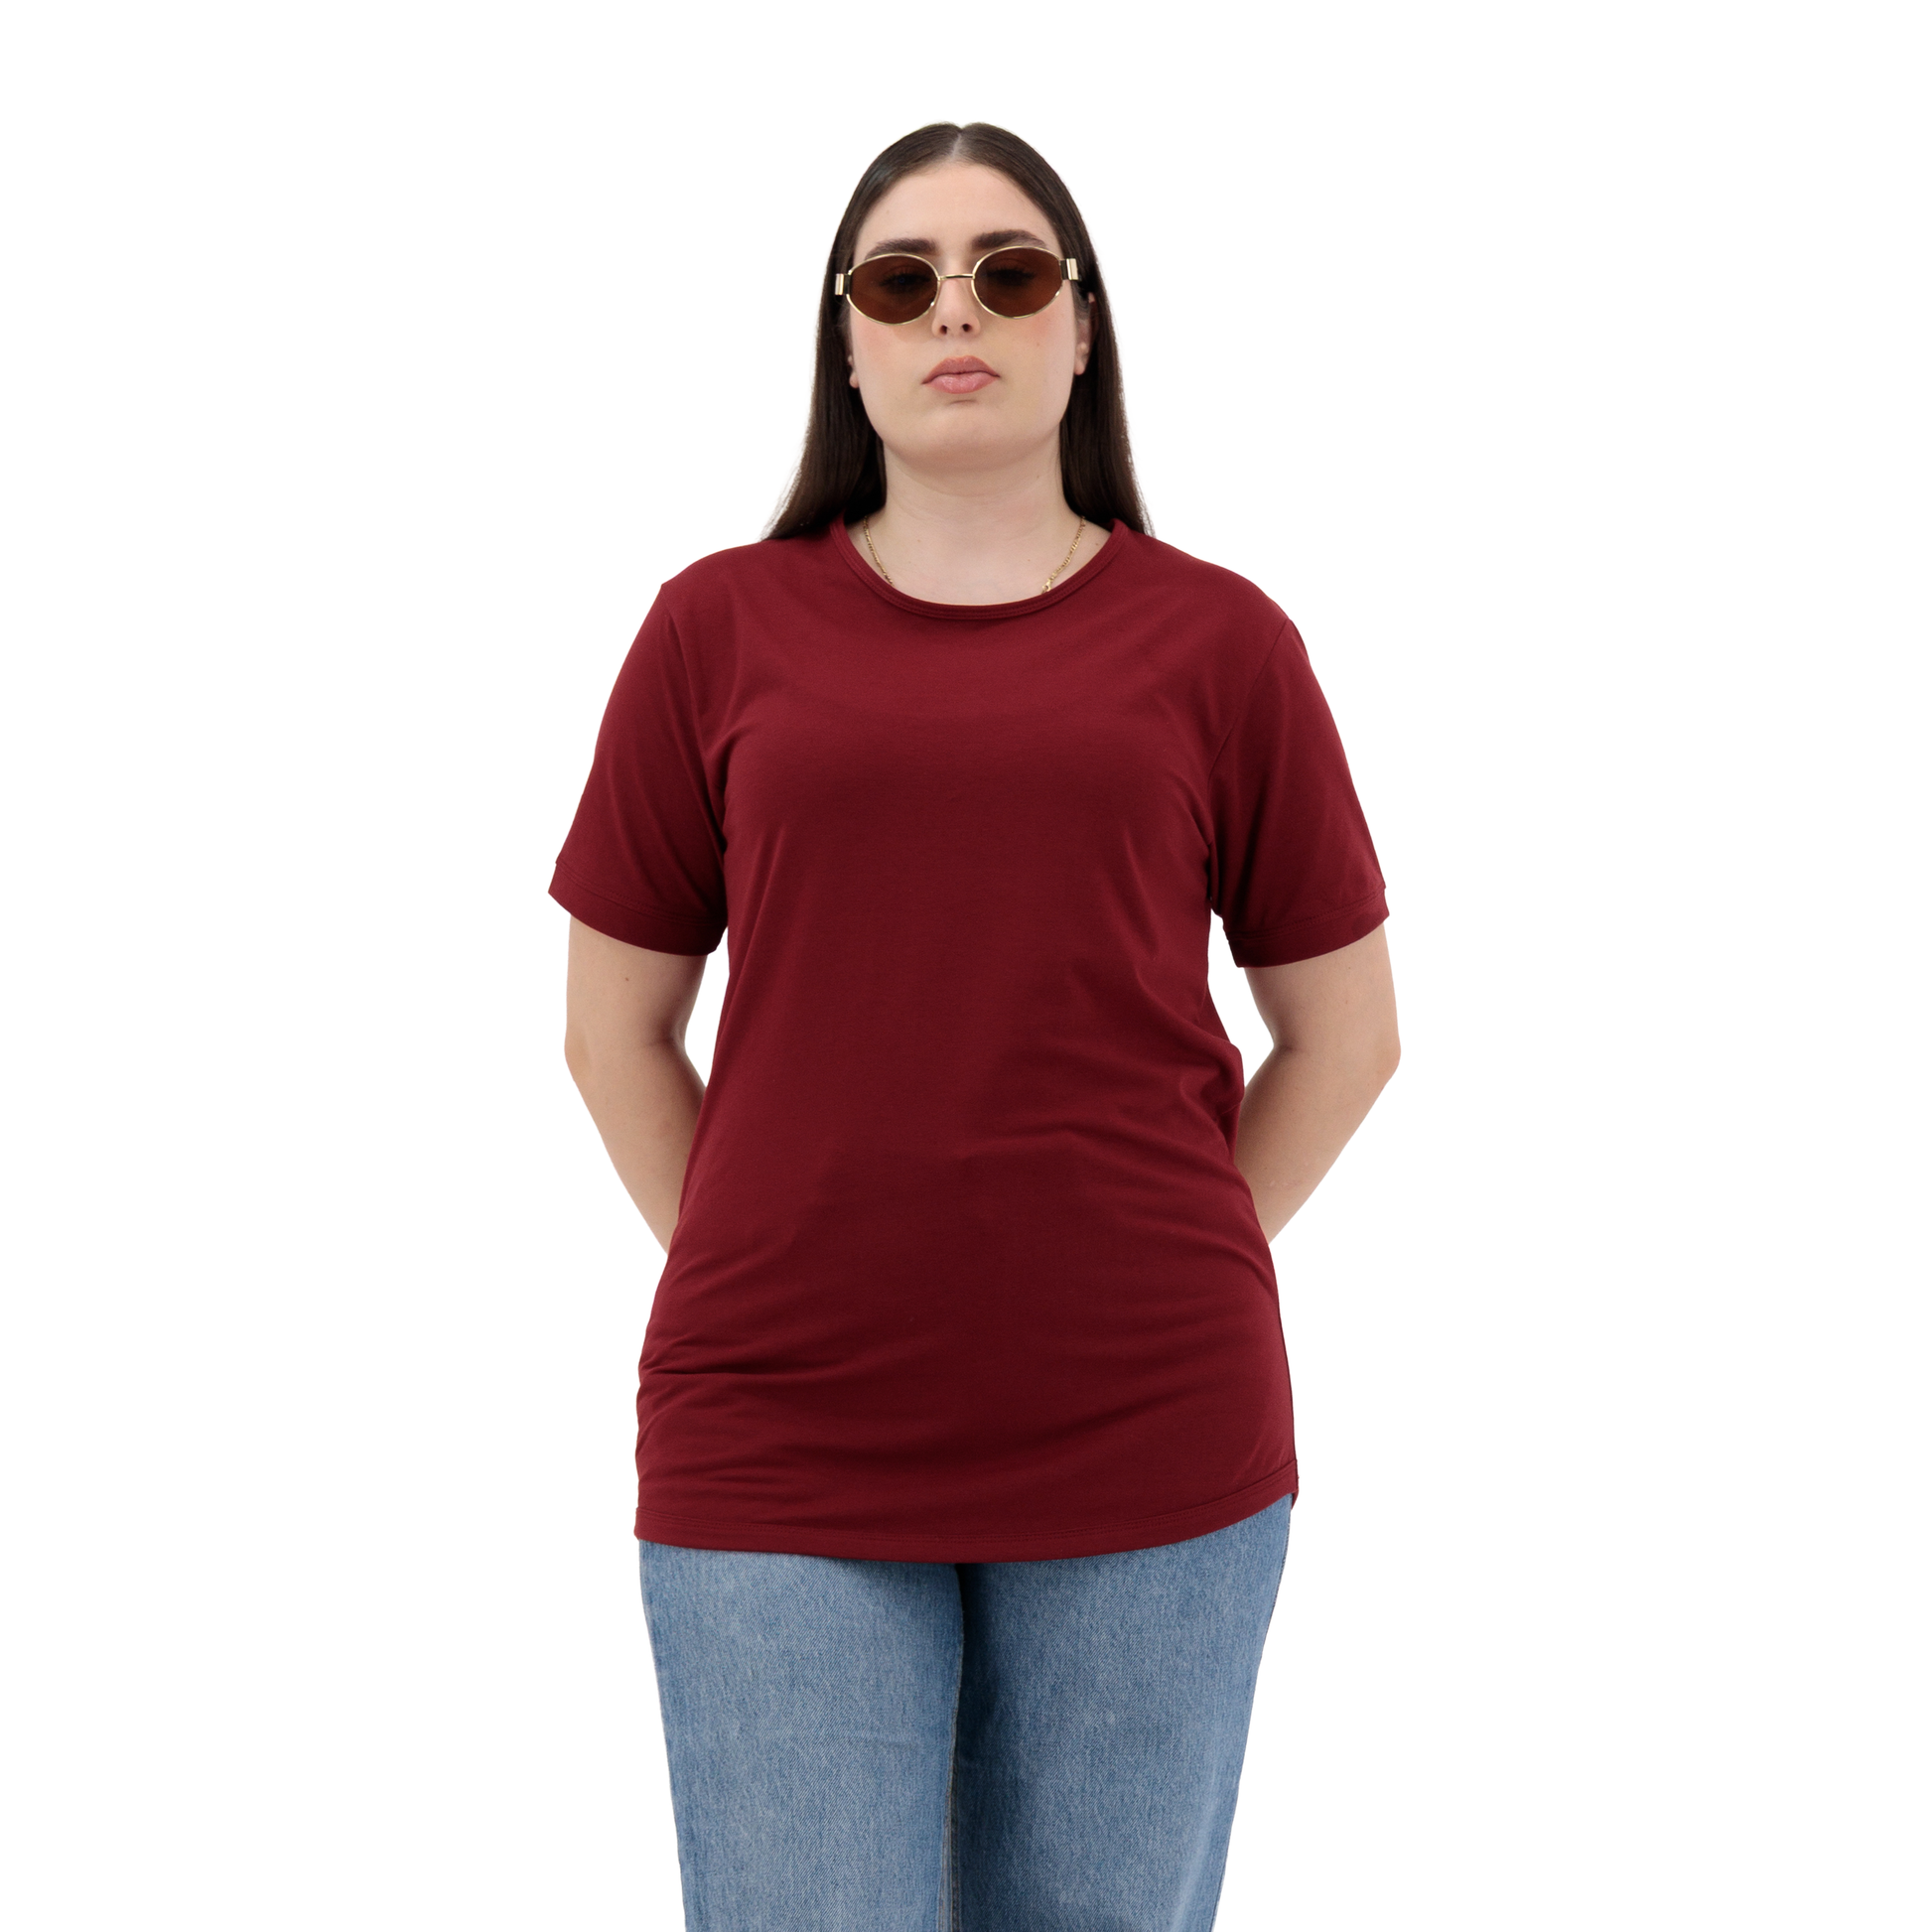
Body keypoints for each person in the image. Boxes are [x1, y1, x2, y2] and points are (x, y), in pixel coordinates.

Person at [552, 120, 1400, 1932]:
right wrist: (761, 1253)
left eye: (1009, 274)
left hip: (1151, 1430)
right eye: (902, 278)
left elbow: (1344, 1033)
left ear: (1079, 331)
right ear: (845, 343)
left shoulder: (1221, 644)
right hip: (776, 1427)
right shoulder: (713, 629)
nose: (957, 310)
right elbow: (613, 1026)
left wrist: (1167, 1254)